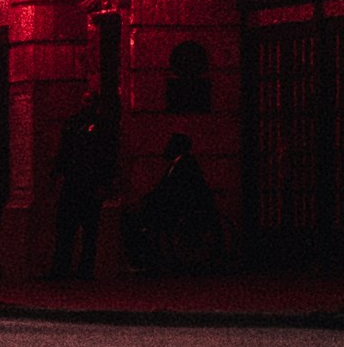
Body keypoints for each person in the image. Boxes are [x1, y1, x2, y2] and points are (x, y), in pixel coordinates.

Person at [120, 131, 227, 280]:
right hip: (174, 208)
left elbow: (173, 191)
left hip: (178, 210)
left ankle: (142, 259)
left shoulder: (184, 165)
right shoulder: (179, 164)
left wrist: (149, 200)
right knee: (134, 217)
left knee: (134, 221)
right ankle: (144, 257)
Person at [48, 91, 117, 282]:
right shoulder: (72, 122)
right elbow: (64, 150)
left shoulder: (103, 126)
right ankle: (60, 269)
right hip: (72, 182)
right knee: (65, 228)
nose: (87, 104)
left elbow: (107, 156)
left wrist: (104, 183)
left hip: (90, 183)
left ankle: (84, 271)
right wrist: (55, 173)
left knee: (89, 230)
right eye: (85, 100)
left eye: (90, 101)